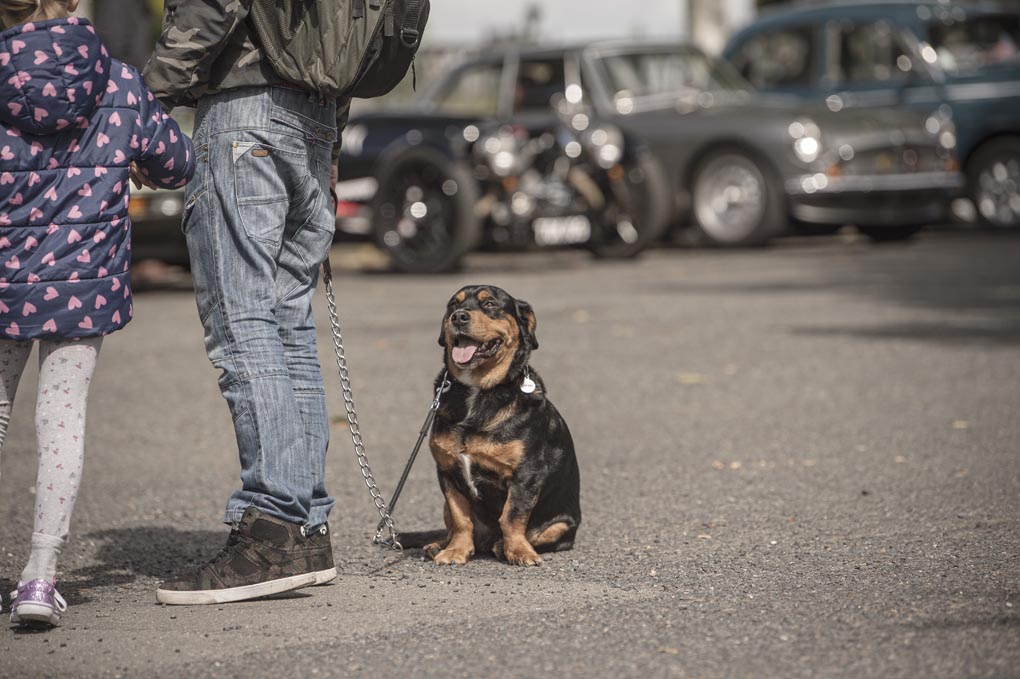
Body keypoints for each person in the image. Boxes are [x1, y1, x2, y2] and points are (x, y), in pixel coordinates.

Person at [142, 1, 350, 605]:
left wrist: (148, 102)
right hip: (316, 117)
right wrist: (330, 125)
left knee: (244, 325)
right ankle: (306, 528)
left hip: (245, 115)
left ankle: (271, 529)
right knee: (286, 326)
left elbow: (212, 5)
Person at [0, 0, 195, 626]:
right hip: (81, 288)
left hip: (5, 279)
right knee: (61, 420)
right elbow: (179, 161)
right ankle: (39, 576)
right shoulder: (116, 80)